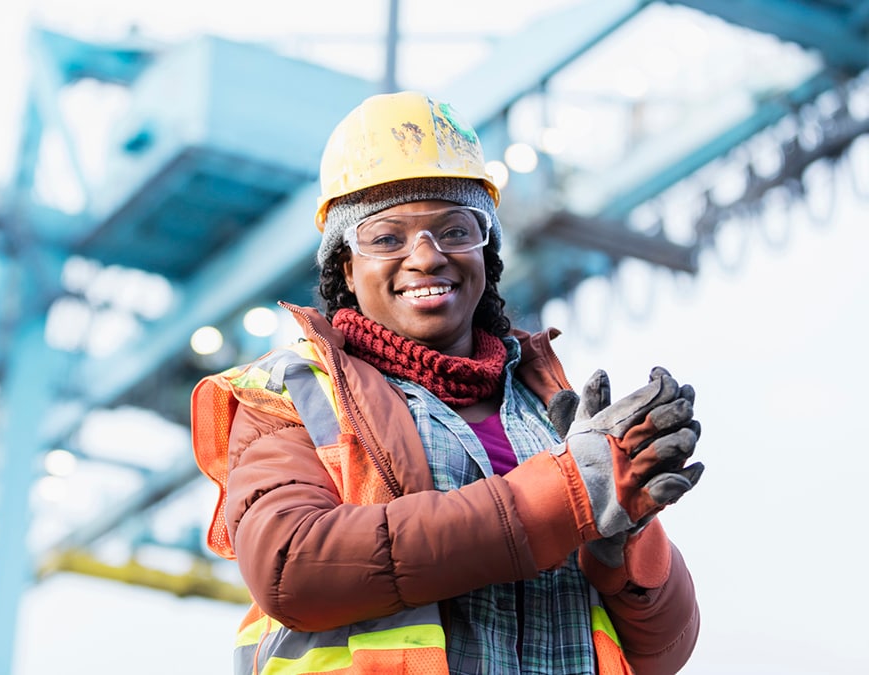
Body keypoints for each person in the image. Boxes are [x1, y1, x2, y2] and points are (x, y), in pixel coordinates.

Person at [191, 90, 705, 675]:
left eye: (455, 230)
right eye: (386, 238)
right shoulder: (293, 393)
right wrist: (564, 496)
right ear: (345, 270)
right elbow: (292, 567)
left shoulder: (547, 414)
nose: (427, 257)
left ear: (486, 251)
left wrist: (626, 542)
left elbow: (662, 651)